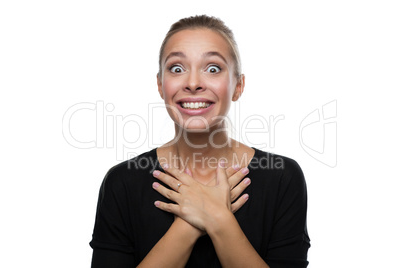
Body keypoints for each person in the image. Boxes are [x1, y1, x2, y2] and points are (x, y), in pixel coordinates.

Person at [90, 15, 310, 268]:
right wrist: (188, 224)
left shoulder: (282, 178)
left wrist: (219, 219)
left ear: (238, 86)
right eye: (177, 68)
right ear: (161, 85)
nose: (193, 83)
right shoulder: (123, 182)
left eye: (213, 68)